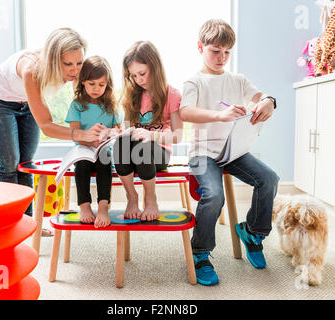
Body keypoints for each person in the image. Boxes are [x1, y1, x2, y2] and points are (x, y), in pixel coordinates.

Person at [179, 19, 280, 286]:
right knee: (213, 196)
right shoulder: (194, 82)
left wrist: (269, 102)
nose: (221, 57)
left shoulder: (238, 80)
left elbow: (263, 97)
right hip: (203, 152)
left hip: (233, 151)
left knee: (269, 179)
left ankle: (253, 233)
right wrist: (219, 115)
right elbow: (185, 112)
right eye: (215, 51)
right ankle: (200, 252)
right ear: (200, 47)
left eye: (227, 52)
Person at [0, 28, 107, 232]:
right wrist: (81, 135)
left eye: (79, 62)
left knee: (25, 164)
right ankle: (3, 227)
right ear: (53, 60)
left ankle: (29, 225)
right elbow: (47, 126)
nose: (75, 70)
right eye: (68, 64)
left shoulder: (75, 70)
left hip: (27, 103)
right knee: (10, 164)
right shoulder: (32, 69)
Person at [113, 41, 183, 221]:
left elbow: (177, 136)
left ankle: (150, 198)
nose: (139, 80)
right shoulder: (132, 95)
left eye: (142, 73)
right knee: (121, 143)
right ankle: (132, 197)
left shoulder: (171, 94)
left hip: (159, 152)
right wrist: (120, 132)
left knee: (142, 146)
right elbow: (128, 129)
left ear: (155, 66)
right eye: (134, 76)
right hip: (135, 152)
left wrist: (151, 135)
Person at [66, 56, 121, 228]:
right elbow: (74, 133)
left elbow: (118, 131)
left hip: (103, 150)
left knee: (104, 166)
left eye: (101, 85)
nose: (96, 89)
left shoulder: (111, 106)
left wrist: (107, 134)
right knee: (81, 167)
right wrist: (90, 141)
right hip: (83, 150)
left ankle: (103, 207)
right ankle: (85, 206)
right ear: (83, 82)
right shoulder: (77, 105)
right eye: (92, 84)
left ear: (107, 85)